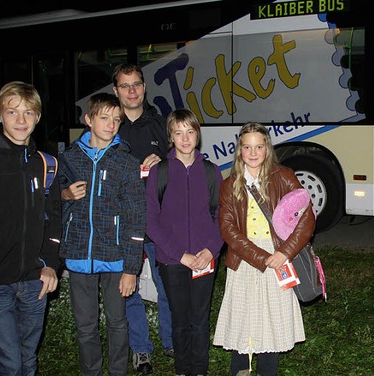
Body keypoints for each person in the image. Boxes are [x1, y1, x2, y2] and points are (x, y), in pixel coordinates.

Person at [0, 81, 62, 374]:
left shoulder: (47, 165)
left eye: (28, 112)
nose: (21, 120)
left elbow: (54, 220)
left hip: (35, 282)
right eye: (12, 112)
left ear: (38, 117)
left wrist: (50, 264)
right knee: (10, 365)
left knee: (27, 360)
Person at [212, 122, 316, 376]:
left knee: (272, 317)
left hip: (279, 253)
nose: (253, 152)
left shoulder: (284, 176)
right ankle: (241, 370)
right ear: (240, 151)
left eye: (259, 146)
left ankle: (267, 372)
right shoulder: (230, 184)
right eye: (247, 147)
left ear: (267, 149)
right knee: (243, 315)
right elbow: (228, 229)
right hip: (244, 258)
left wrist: (284, 253)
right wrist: (260, 257)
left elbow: (307, 216)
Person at [59, 93, 146, 375]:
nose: (111, 124)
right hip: (79, 254)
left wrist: (131, 268)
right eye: (104, 117)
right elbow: (50, 203)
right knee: (86, 325)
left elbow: (136, 218)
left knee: (118, 321)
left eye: (116, 119)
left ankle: (118, 371)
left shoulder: (127, 162)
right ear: (89, 119)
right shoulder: (69, 158)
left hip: (116, 256)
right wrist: (64, 194)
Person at [145, 109, 223, 376]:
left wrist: (209, 250)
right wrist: (181, 255)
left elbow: (221, 218)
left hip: (204, 258)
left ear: (197, 134)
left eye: (190, 131)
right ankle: (182, 369)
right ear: (171, 137)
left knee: (200, 320)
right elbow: (151, 221)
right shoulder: (160, 172)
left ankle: (199, 369)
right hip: (172, 260)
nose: (185, 138)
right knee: (180, 320)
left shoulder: (212, 172)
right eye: (178, 132)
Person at [112, 63, 172, 373]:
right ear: (116, 91)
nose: (132, 91)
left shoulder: (161, 125)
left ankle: (172, 341)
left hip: (159, 221)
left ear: (144, 87)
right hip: (123, 223)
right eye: (125, 86)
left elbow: (181, 161)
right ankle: (140, 349)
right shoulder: (109, 125)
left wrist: (163, 159)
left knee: (167, 285)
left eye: (136, 84)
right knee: (129, 289)